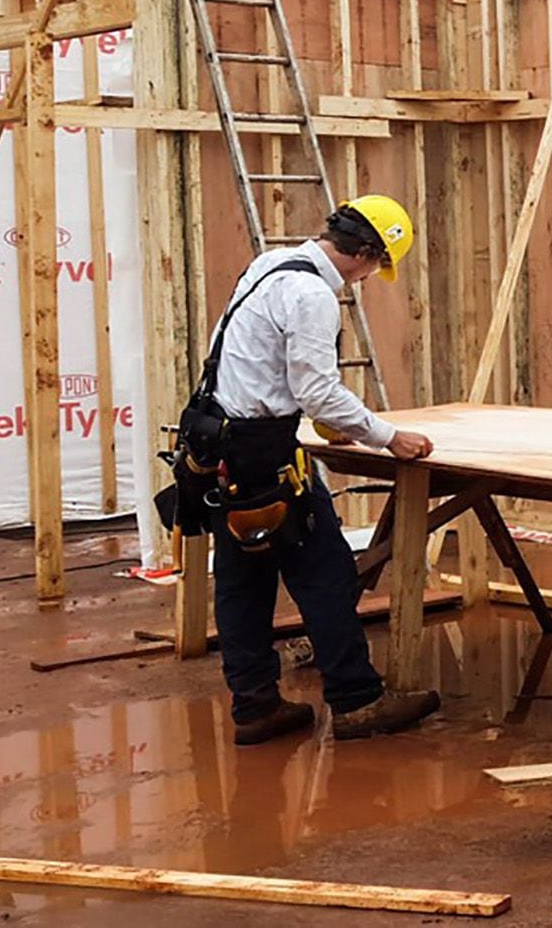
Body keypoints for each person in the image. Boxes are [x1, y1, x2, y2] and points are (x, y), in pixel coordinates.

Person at [190, 195, 442, 746]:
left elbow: (266, 369)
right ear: (368, 254)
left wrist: (320, 415)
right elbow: (317, 391)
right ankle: (356, 701)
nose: (371, 277)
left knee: (242, 583)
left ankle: (255, 707)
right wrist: (388, 437)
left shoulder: (271, 265)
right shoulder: (312, 296)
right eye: (377, 266)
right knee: (325, 574)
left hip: (223, 441)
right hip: (263, 449)